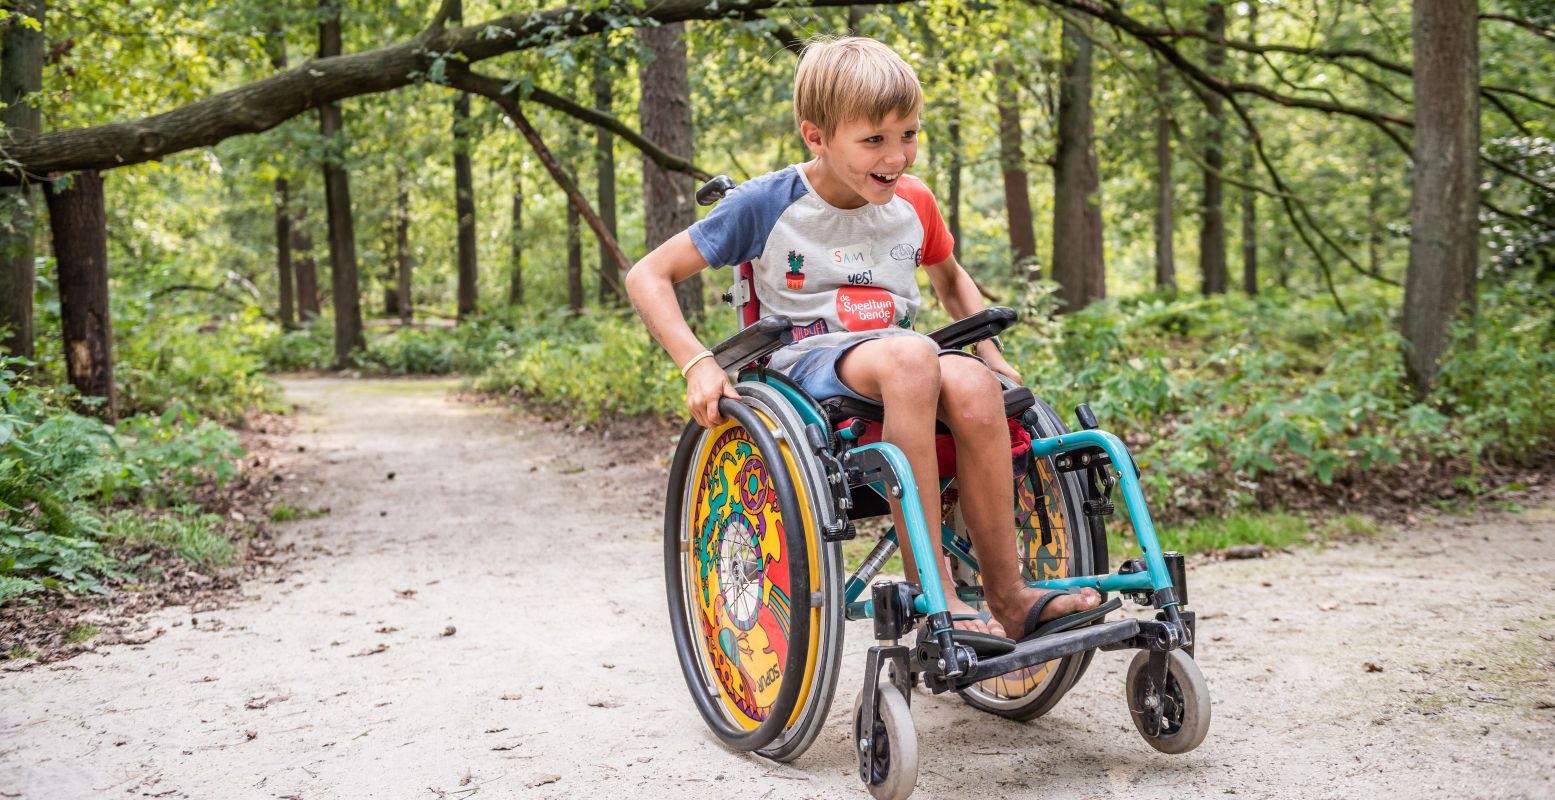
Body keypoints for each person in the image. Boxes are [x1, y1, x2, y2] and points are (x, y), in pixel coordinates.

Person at [625, 36, 1100, 641]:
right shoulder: (768, 204)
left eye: (909, 135)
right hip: (806, 364)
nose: (896, 156)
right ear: (816, 136)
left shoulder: (915, 202)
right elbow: (649, 275)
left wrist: (992, 354)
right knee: (912, 354)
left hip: (904, 359)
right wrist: (697, 363)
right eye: (874, 140)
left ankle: (1007, 596)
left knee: (973, 384)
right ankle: (937, 595)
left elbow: (952, 279)